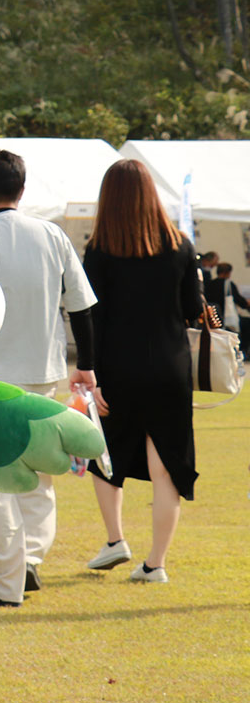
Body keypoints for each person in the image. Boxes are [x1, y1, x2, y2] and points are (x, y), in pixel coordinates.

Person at [0, 150, 99, 608]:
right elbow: (81, 305)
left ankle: (5, 577)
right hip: (41, 373)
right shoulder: (52, 235)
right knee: (38, 473)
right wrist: (88, 363)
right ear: (23, 187)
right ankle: (31, 560)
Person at [80, 159, 205, 583]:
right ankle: (156, 563)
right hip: (169, 367)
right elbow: (194, 311)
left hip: (116, 367)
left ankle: (115, 539)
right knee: (166, 463)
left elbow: (91, 315)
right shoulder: (181, 246)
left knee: (105, 453)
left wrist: (88, 368)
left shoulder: (98, 250)